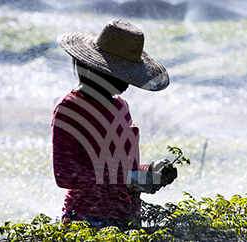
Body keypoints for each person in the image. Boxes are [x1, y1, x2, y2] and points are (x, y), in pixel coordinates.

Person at [52, 19, 177, 231]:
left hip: (128, 218)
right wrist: (130, 178)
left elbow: (119, 169)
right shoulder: (72, 108)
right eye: (122, 73)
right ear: (99, 69)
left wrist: (150, 173)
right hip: (88, 220)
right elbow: (65, 174)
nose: (128, 82)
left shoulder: (121, 106)